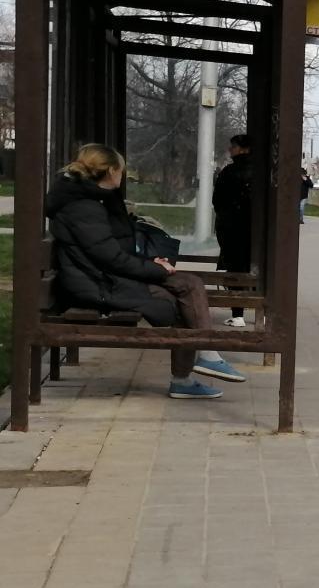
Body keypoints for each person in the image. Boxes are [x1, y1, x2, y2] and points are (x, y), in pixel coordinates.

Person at [47, 144, 244, 398]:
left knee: (190, 286)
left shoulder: (92, 200)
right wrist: (153, 268)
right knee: (185, 296)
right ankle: (197, 364)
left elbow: (110, 250)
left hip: (103, 275)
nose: (124, 175)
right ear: (110, 171)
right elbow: (109, 258)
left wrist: (152, 261)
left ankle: (203, 358)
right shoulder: (84, 207)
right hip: (99, 283)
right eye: (121, 170)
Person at [214, 134, 254, 328]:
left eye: (233, 146)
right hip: (255, 230)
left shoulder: (229, 172)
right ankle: (260, 312)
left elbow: (217, 200)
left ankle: (238, 315)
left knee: (236, 269)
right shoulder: (262, 171)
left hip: (232, 229)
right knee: (255, 267)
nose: (230, 150)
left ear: (243, 148)